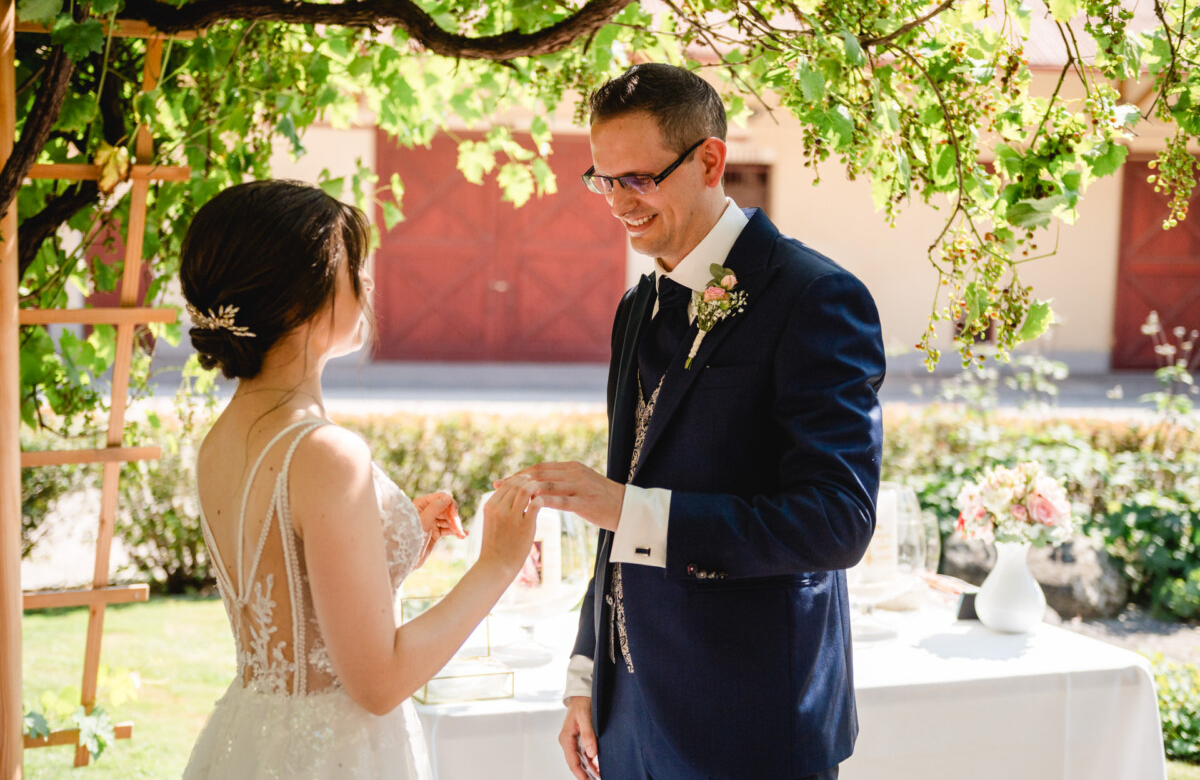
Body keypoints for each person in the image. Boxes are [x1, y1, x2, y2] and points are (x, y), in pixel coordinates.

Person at [514, 64, 887, 779]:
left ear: (710, 161)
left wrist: (628, 509)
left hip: (751, 722)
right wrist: (586, 674)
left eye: (638, 179)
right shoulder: (637, 308)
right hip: (629, 720)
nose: (618, 203)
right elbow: (627, 493)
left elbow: (836, 522)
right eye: (603, 180)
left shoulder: (814, 297)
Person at [179, 179, 539, 779]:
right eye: (353, 267)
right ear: (296, 300)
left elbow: (292, 599)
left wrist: (394, 547)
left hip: (249, 739)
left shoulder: (223, 438)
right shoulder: (325, 452)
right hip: (332, 754)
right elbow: (379, 682)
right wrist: (496, 565)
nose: (368, 283)